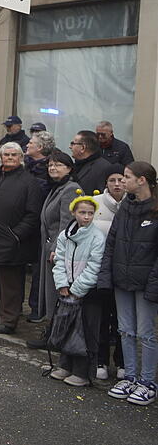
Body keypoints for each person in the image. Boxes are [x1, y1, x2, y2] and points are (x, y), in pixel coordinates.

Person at [102, 161, 158, 406]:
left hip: (146, 282)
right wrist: (106, 276)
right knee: (125, 330)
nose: (122, 181)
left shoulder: (155, 209)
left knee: (146, 334)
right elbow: (112, 243)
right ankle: (130, 377)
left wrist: (154, 284)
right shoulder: (126, 206)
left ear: (142, 180)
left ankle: (147, 382)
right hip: (122, 279)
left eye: (127, 177)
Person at [0, 142, 41, 334]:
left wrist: (16, 235)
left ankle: (9, 320)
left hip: (12, 243)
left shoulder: (29, 182)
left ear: (21, 158)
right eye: (6, 155)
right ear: (0, 158)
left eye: (14, 155)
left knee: (11, 285)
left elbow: (32, 214)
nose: (9, 158)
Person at [48, 191, 106, 386]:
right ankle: (65, 364)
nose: (86, 217)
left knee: (83, 332)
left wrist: (78, 288)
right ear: (74, 213)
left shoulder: (97, 237)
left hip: (86, 292)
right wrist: (62, 283)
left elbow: (94, 266)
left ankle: (82, 372)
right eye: (82, 212)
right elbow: (59, 261)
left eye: (90, 213)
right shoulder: (65, 235)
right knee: (66, 326)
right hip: (67, 290)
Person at [33, 151, 82, 335]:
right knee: (49, 293)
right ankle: (51, 330)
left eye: (58, 165)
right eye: (51, 165)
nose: (53, 168)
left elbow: (66, 223)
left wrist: (55, 248)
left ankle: (56, 334)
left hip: (58, 250)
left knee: (56, 292)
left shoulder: (70, 188)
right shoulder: (56, 187)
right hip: (48, 246)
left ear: (69, 168)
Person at [92, 165, 126, 380]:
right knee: (102, 317)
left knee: (122, 321)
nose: (116, 184)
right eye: (112, 179)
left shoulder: (132, 205)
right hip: (100, 270)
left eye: (121, 179)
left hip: (123, 271)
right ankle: (100, 360)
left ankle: (122, 363)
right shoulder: (94, 204)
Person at [25, 130, 55, 321]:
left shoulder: (45, 171)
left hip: (39, 227)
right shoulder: (28, 166)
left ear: (40, 148)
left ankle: (38, 308)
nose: (27, 145)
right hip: (28, 225)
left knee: (39, 269)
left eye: (31, 143)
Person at [70, 130, 113, 195]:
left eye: (73, 144)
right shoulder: (75, 166)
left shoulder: (103, 168)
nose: (70, 147)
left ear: (83, 148)